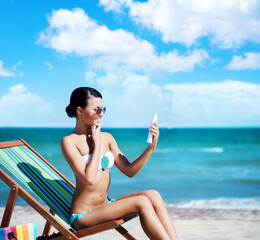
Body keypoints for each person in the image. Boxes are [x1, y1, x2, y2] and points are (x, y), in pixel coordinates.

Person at [60, 87, 179, 240]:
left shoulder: (107, 137)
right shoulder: (69, 142)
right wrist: (96, 144)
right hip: (84, 215)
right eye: (96, 110)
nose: (101, 114)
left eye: (102, 109)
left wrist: (151, 148)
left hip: (106, 205)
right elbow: (88, 180)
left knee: (153, 195)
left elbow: (129, 171)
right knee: (141, 202)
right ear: (80, 111)